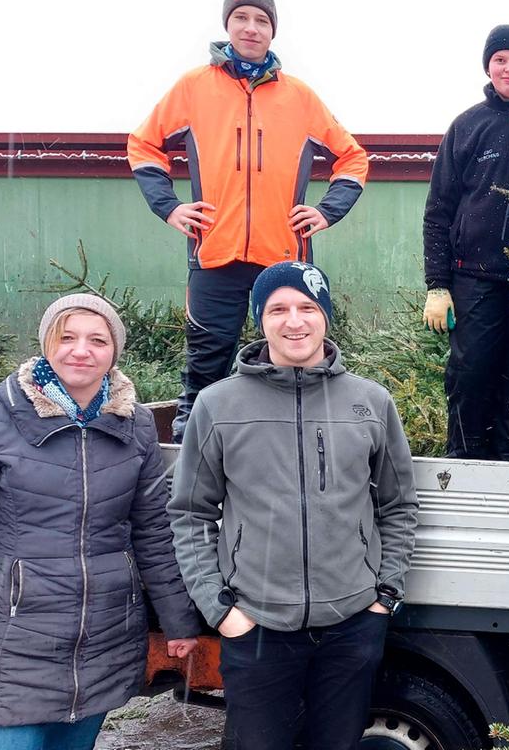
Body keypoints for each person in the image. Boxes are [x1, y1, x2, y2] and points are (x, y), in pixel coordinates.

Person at [0, 295, 200, 750]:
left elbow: (152, 533)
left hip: (101, 641)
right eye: (67, 337)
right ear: (47, 343)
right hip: (10, 645)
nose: (81, 350)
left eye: (97, 340)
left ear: (114, 351)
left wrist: (179, 620)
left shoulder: (134, 426)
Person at [168, 261, 419, 750]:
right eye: (278, 308)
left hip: (351, 626)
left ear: (325, 316)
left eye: (308, 307)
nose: (294, 321)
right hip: (256, 627)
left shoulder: (370, 402)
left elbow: (398, 505)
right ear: (259, 319)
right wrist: (222, 612)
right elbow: (190, 512)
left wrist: (382, 596)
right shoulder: (218, 406)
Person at [128, 0, 369, 442]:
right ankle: (192, 454)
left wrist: (326, 211)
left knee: (292, 355)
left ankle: (286, 444)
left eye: (262, 20)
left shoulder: (299, 97)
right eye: (242, 18)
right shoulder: (194, 87)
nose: (251, 28)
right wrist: (169, 207)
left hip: (283, 257)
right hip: (214, 253)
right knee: (205, 361)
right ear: (227, 25)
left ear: (272, 31)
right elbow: (143, 144)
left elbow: (353, 157)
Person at [421, 24, 509, 461]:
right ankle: (462, 463)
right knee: (470, 375)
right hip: (474, 279)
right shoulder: (468, 126)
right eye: (500, 60)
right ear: (488, 67)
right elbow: (438, 211)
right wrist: (437, 286)